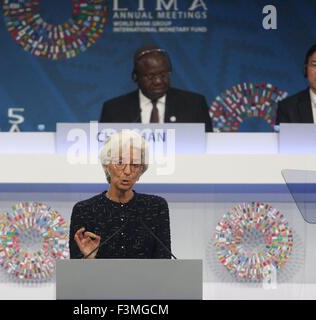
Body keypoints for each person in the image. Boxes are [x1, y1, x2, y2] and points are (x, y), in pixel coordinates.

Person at [69, 130, 172, 259]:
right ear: (107, 166)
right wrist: (89, 258)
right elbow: (74, 273)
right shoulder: (85, 210)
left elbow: (165, 265)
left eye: (134, 165)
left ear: (141, 171)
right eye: (120, 163)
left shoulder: (155, 207)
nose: (128, 171)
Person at [99, 44, 213, 132]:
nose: (158, 81)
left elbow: (208, 148)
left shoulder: (194, 104)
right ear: (135, 76)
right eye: (151, 76)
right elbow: (104, 152)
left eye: (164, 75)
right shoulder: (114, 110)